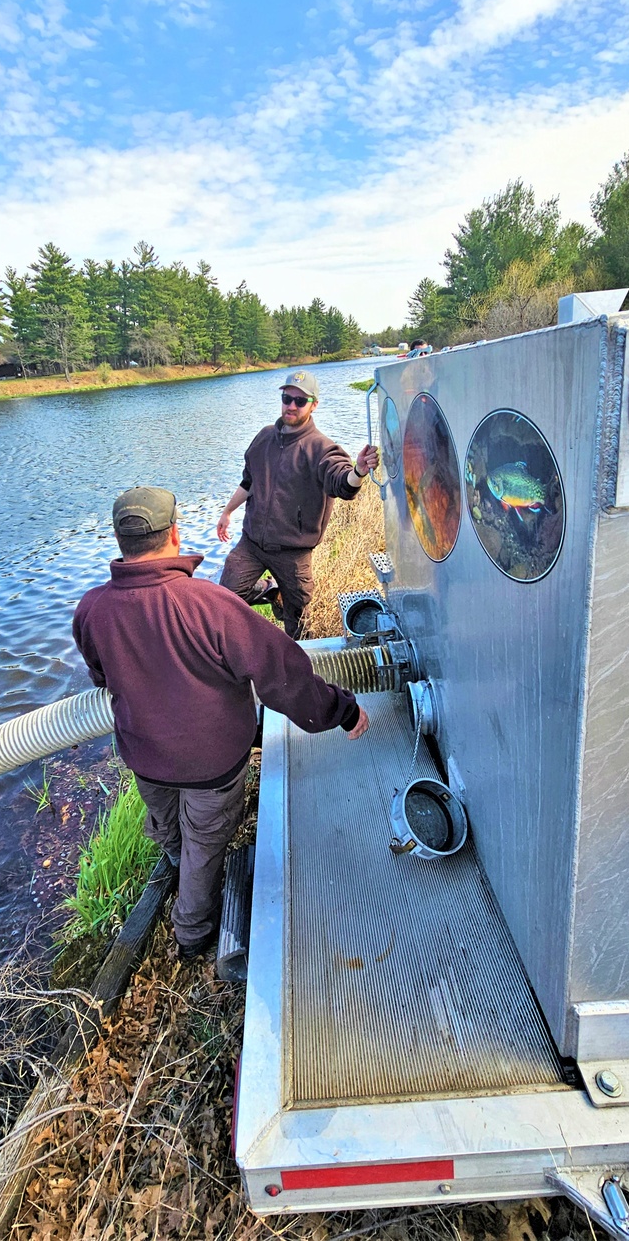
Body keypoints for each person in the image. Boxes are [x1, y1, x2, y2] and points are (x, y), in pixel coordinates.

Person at [72, 486, 369, 959]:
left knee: (170, 824)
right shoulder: (209, 604)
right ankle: (192, 935)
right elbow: (283, 676)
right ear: (174, 532)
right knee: (205, 850)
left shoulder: (91, 609)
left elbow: (101, 675)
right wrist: (340, 710)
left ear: (118, 540)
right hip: (211, 766)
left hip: (144, 759)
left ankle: (174, 856)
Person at [216, 370, 379, 638]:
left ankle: (298, 669)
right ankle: (270, 590)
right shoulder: (263, 438)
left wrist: (358, 470)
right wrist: (227, 511)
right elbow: (249, 482)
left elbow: (343, 484)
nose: (291, 405)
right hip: (252, 543)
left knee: (298, 622)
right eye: (287, 398)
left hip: (294, 552)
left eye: (300, 401)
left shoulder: (322, 449)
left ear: (314, 405)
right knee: (225, 597)